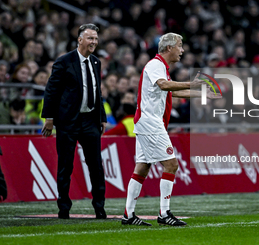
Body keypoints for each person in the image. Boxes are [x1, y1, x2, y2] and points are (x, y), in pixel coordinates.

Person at [122, 32, 220, 226]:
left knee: (142, 167)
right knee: (172, 165)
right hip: (150, 122)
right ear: (169, 48)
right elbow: (165, 85)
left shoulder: (160, 67)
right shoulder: (155, 65)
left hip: (146, 122)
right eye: (180, 46)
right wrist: (192, 83)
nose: (182, 50)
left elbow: (171, 91)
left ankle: (128, 215)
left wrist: (200, 93)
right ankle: (164, 213)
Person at [41, 24, 107, 219]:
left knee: (96, 165)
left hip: (90, 121)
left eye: (95, 38)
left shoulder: (96, 62)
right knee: (65, 166)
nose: (93, 42)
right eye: (90, 38)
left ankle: (99, 207)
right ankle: (63, 207)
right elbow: (51, 91)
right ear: (79, 40)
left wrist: (101, 117)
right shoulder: (64, 62)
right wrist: (49, 118)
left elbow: (98, 92)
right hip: (68, 122)